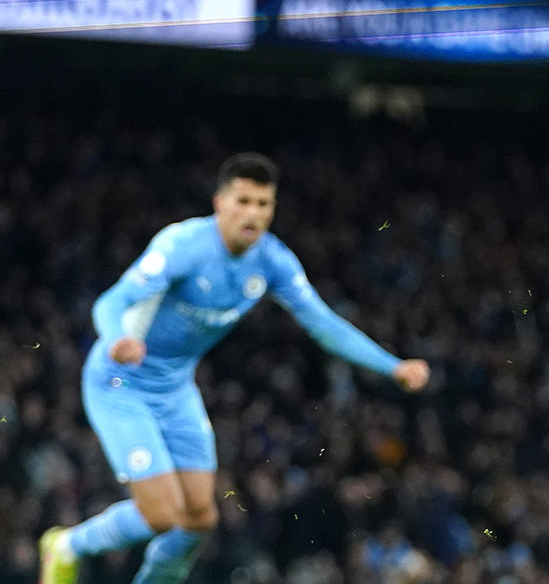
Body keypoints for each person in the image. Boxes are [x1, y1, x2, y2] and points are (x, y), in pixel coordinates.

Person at [39, 153, 430, 584]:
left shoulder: (273, 261)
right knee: (164, 514)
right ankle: (66, 545)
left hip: (174, 388)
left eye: (264, 204)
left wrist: (393, 367)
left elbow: (324, 325)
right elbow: (110, 302)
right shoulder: (182, 246)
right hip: (120, 382)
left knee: (200, 519)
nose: (253, 214)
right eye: (243, 201)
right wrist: (117, 339)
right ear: (219, 203)